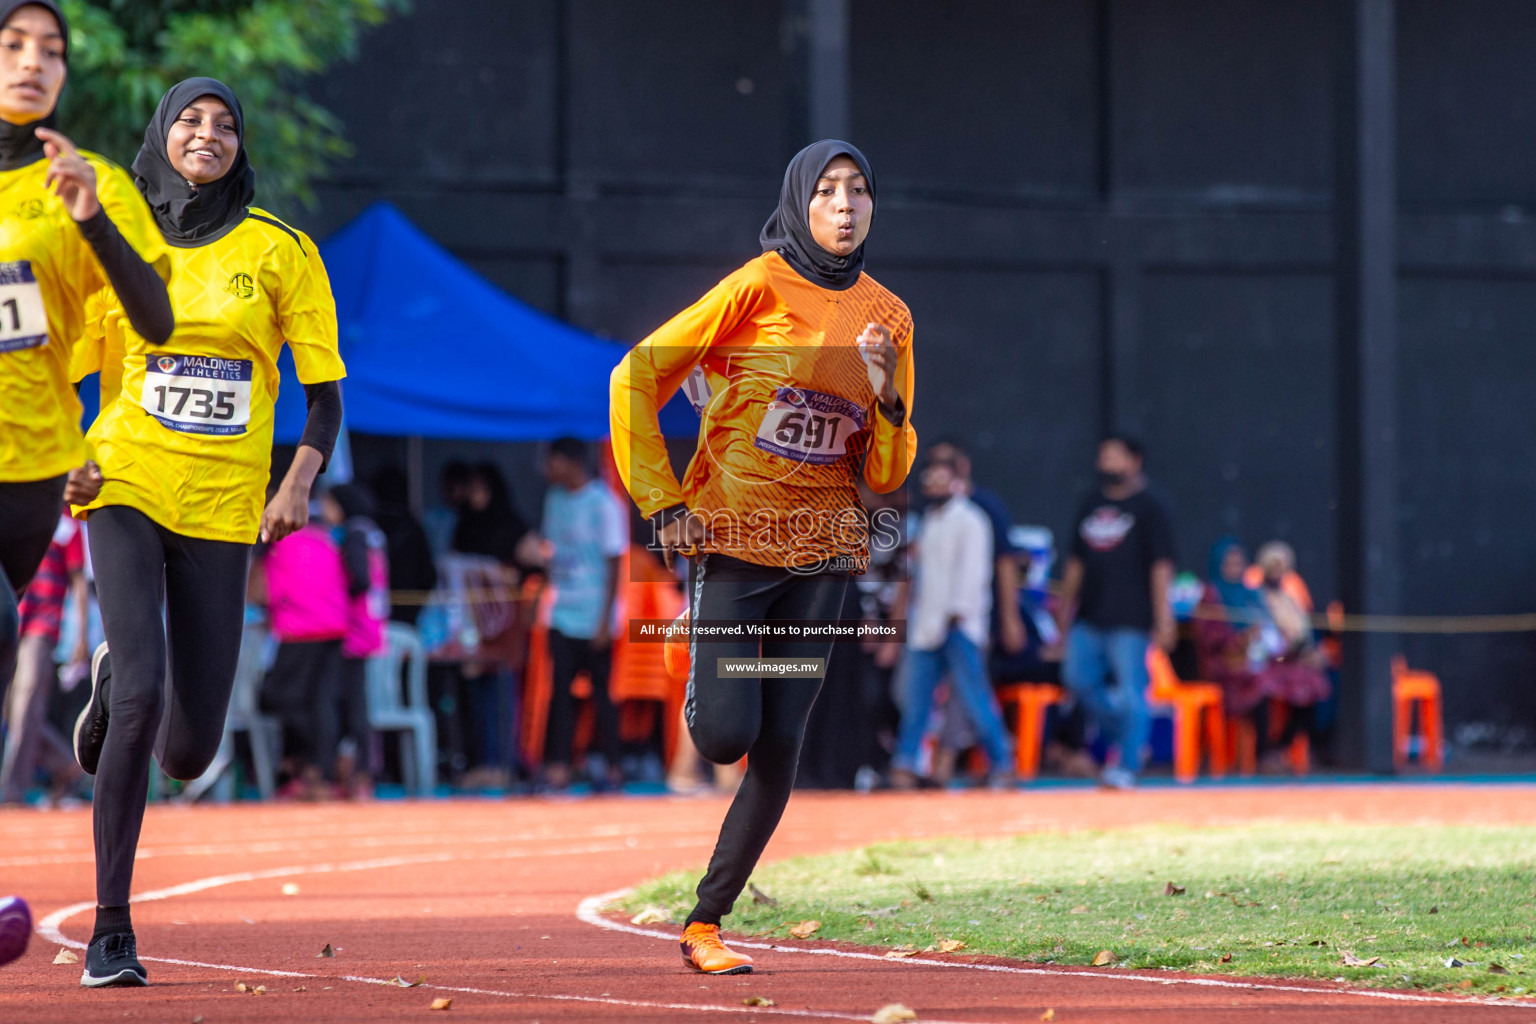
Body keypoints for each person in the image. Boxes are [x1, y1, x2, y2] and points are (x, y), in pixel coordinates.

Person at [611, 139, 915, 975]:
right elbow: (635, 375)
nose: (846, 206)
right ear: (800, 203)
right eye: (828, 191)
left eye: (859, 191)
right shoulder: (757, 285)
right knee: (724, 736)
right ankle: (707, 677)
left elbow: (885, 472)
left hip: (823, 557)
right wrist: (663, 500)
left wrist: (887, 396)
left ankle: (706, 923)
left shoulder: (891, 318)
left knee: (781, 746)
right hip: (736, 545)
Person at [67, 77, 344, 987]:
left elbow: (324, 396)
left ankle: (115, 683)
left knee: (188, 751)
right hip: (125, 480)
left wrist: (296, 483)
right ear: (163, 134)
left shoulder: (283, 251)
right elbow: (52, 366)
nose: (208, 134)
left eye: (225, 125)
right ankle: (113, 930)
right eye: (191, 120)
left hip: (227, 507)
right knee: (147, 697)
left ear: (240, 147)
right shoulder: (114, 243)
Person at [0, 0, 173, 973]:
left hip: (32, 473)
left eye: (50, 51)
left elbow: (152, 318)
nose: (34, 63)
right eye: (13, 45)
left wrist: (92, 220)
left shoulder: (85, 180)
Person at [1054, 434, 1177, 790]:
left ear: (1134, 461)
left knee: (1131, 691)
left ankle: (1126, 765)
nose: (1107, 463)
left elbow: (1161, 566)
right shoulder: (1090, 502)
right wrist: (1064, 610)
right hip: (1089, 615)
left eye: (1115, 456)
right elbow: (1075, 562)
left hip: (1132, 620)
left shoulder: (1151, 507)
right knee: (1077, 680)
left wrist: (1163, 616)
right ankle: (1132, 739)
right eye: (1103, 455)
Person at [889, 459, 1014, 788]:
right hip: (926, 627)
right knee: (915, 702)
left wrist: (958, 614)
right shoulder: (928, 521)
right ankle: (905, 763)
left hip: (959, 626)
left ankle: (1002, 765)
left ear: (958, 482)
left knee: (974, 700)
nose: (933, 485)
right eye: (929, 479)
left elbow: (975, 572)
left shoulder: (971, 519)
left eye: (941, 479)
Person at [538, 436, 627, 790]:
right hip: (562, 612)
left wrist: (606, 620)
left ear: (572, 462)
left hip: (595, 616)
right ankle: (557, 765)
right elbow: (551, 554)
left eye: (552, 461)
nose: (546, 469)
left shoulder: (604, 503)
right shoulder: (554, 500)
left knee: (603, 695)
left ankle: (613, 766)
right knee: (559, 692)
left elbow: (616, 562)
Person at [259, 506, 349, 796]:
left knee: (278, 696)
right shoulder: (320, 535)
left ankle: (324, 756)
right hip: (333, 623)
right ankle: (320, 768)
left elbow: (256, 582)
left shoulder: (272, 534)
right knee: (319, 701)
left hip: (302, 625)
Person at [0, 509, 85, 803]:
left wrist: (83, 636)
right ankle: (67, 765)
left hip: (44, 623)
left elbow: (79, 581)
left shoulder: (67, 523)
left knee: (27, 699)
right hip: (16, 615)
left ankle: (12, 789)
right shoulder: (22, 509)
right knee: (13, 709)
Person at [321, 483, 388, 797]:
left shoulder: (354, 533)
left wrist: (337, 598)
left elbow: (360, 578)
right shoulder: (372, 532)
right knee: (356, 702)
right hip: (370, 624)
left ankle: (358, 772)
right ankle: (360, 772)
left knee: (350, 704)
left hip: (354, 627)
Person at [369, 465, 437, 626]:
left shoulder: (368, 526)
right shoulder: (413, 527)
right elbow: (428, 575)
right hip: (406, 620)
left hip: (372, 620)